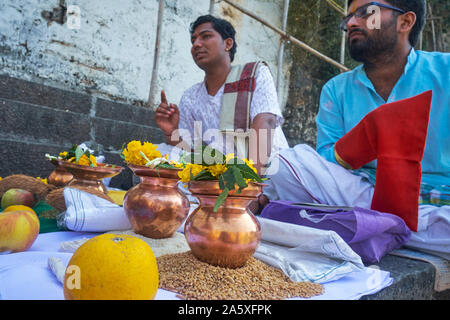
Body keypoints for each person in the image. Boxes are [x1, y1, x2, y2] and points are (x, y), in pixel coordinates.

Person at [260, 0, 450, 259]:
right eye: (348, 17)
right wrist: (361, 143)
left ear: (405, 22)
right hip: (364, 194)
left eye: (366, 13)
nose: (350, 23)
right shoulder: (336, 89)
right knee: (283, 164)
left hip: (439, 200)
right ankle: (391, 227)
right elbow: (327, 161)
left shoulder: (446, 72)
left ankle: (372, 226)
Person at [154, 15, 288, 174]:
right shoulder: (191, 97)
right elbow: (189, 153)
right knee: (161, 153)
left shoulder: (254, 74)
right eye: (193, 40)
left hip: (269, 171)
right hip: (223, 177)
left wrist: (251, 187)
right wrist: (171, 132)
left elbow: (266, 123)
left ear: (228, 43)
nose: (196, 44)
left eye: (206, 36)